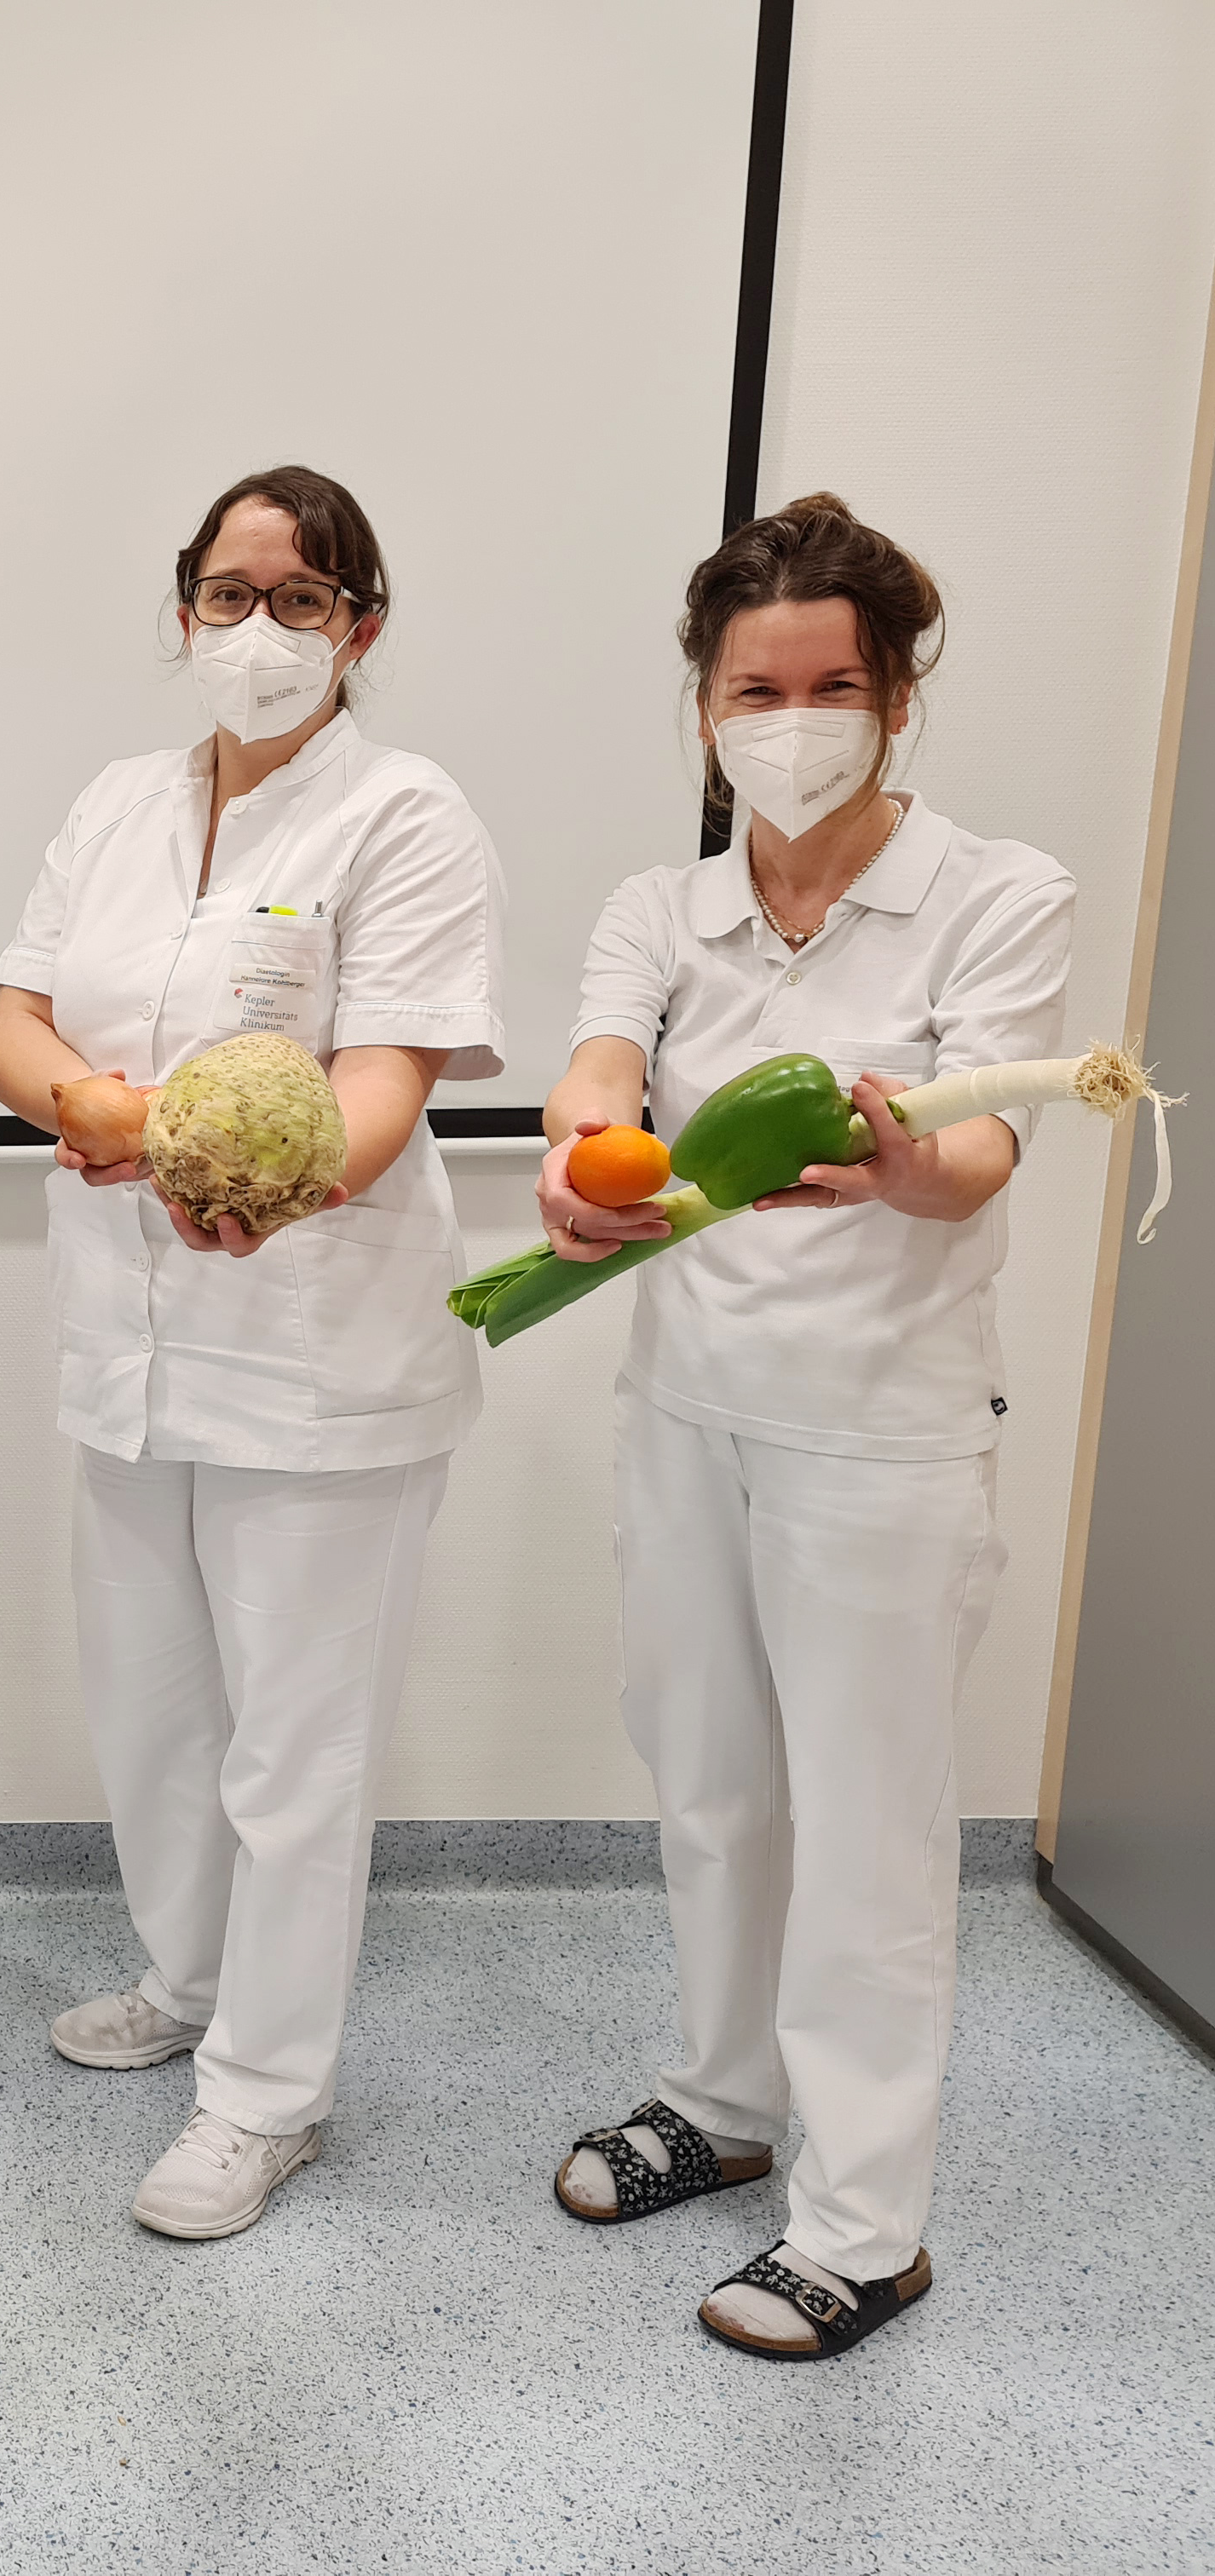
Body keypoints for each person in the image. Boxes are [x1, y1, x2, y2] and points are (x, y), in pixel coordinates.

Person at [538, 493, 1068, 2360]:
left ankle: (865, 2224)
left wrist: (907, 1155)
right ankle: (727, 2102)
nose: (794, 716)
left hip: (877, 1432)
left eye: (834, 682)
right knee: (715, 1788)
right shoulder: (661, 905)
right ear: (705, 705)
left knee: (865, 1830)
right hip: (688, 1403)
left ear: (896, 696)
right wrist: (577, 1150)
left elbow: (983, 1148)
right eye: (755, 686)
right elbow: (606, 1059)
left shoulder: (998, 892)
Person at [0, 465, 505, 2240]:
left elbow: (385, 1081)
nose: (260, 632)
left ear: (362, 623)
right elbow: (14, 1014)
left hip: (314, 1350)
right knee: (150, 1707)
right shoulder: (119, 804)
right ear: (183, 612)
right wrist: (85, 1102)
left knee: (295, 1746)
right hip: (128, 1335)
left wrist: (254, 1185)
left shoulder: (408, 815)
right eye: (227, 595)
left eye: (301, 598)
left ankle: (265, 2095)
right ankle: (190, 1983)